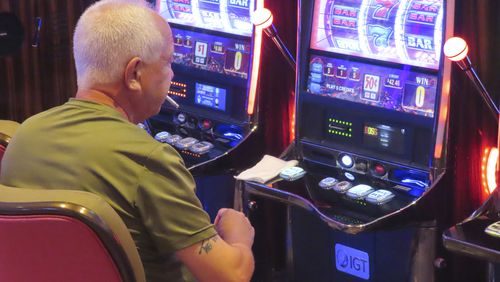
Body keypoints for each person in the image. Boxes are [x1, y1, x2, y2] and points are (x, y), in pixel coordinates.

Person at [0, 0, 255, 281]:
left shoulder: (24, 135)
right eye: (168, 62)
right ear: (134, 74)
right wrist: (239, 235)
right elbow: (232, 275)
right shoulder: (149, 160)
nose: (172, 75)